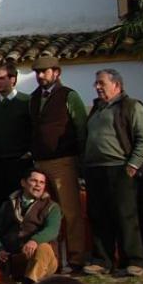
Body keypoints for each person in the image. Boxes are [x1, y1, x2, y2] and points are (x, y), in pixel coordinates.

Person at [83, 68, 143, 277]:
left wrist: (133, 165)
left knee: (125, 216)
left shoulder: (131, 106)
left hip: (120, 168)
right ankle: (102, 261)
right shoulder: (96, 109)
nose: (97, 87)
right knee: (99, 216)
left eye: (101, 83)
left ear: (117, 85)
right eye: (96, 83)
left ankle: (133, 261)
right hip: (95, 170)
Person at [27, 56, 88, 271]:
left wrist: (80, 161)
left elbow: (81, 128)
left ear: (57, 72)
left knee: (70, 212)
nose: (40, 76)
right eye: (38, 72)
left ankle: (76, 259)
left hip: (63, 161)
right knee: (45, 213)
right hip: (40, 162)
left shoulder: (69, 96)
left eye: (44, 71)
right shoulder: (34, 98)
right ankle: (51, 262)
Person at [0, 168, 61, 284]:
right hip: (14, 259)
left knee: (44, 247)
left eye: (42, 183)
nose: (38, 185)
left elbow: (52, 230)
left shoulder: (52, 206)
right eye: (34, 181)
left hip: (42, 261)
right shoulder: (8, 205)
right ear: (23, 183)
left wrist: (34, 241)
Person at [0, 62, 32, 212]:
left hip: (21, 162)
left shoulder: (26, 102)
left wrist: (30, 152)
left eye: (1, 78)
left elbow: (34, 129)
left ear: (13, 79)